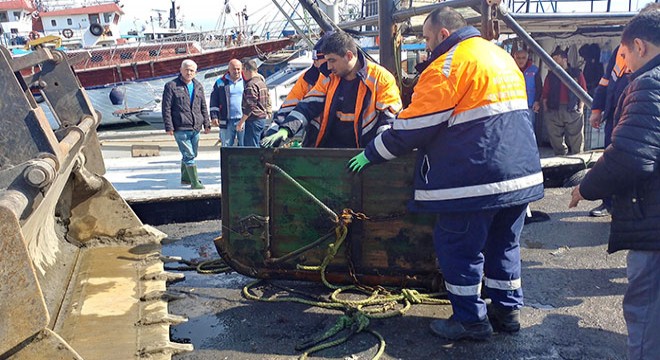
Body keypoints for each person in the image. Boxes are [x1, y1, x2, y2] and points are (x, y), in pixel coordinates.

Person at [348, 7, 544, 341]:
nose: (425, 47)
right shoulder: (499, 56)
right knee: (504, 245)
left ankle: (469, 320)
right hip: (521, 175)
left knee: (459, 248)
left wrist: (372, 153)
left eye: (425, 38)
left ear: (442, 34)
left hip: (474, 180)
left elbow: (413, 127)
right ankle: (506, 312)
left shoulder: (448, 65)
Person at [569, 9, 660, 359]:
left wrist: (586, 187)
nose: (624, 65)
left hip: (653, 225)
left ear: (639, 46)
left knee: (647, 315)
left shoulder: (650, 82)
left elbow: (629, 156)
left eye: (624, 56)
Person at [261, 31, 402, 148]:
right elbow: (308, 105)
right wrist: (286, 129)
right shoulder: (329, 77)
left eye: (332, 60)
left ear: (349, 56)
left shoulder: (381, 78)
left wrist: (376, 152)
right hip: (327, 150)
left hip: (362, 152)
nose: (328, 67)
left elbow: (389, 120)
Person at [263, 32, 332, 147]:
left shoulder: (342, 77)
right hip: (315, 139)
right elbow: (289, 106)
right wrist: (273, 132)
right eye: (313, 59)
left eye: (318, 58)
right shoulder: (308, 78)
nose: (315, 63)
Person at [162, 59, 211, 190]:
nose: (189, 72)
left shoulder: (198, 85)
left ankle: (185, 178)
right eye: (186, 69)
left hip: (196, 126)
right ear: (181, 70)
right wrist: (169, 126)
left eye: (191, 70)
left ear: (195, 72)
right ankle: (195, 183)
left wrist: (207, 123)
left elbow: (203, 106)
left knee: (193, 154)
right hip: (180, 127)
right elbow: (166, 108)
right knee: (189, 155)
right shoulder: (171, 86)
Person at [541, 47, 588, 155]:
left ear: (564, 59)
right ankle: (560, 155)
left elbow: (583, 91)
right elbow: (545, 92)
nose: (553, 61)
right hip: (554, 108)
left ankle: (578, 157)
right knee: (554, 135)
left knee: (576, 136)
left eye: (556, 59)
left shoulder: (577, 73)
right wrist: (546, 108)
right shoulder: (551, 74)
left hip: (572, 107)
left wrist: (580, 108)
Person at [210, 58, 245, 147]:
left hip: (243, 120)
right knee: (226, 146)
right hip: (226, 120)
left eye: (238, 69)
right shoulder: (220, 82)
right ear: (229, 69)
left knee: (244, 146)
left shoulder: (246, 81)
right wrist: (214, 116)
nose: (236, 71)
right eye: (234, 69)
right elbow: (214, 100)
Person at [236, 58, 271, 147]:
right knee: (260, 146)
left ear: (247, 70)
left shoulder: (251, 85)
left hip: (253, 120)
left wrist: (241, 122)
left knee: (251, 149)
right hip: (262, 119)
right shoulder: (261, 83)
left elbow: (250, 106)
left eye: (243, 70)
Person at [513, 48, 542, 128]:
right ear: (514, 58)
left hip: (530, 105)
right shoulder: (510, 70)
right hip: (514, 106)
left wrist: (537, 101)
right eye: (518, 58)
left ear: (527, 58)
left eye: (523, 58)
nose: (521, 60)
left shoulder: (534, 70)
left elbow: (539, 87)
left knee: (529, 128)